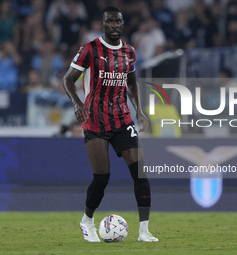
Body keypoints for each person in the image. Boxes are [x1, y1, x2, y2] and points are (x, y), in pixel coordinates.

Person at [63, 6, 158, 242]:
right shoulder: (90, 49)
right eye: (110, 22)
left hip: (122, 118)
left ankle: (144, 230)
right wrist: (77, 103)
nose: (114, 26)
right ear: (102, 24)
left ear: (122, 24)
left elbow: (132, 84)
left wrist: (140, 112)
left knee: (140, 173)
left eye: (118, 22)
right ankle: (87, 220)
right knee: (102, 177)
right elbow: (68, 79)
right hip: (94, 120)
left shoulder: (129, 52)